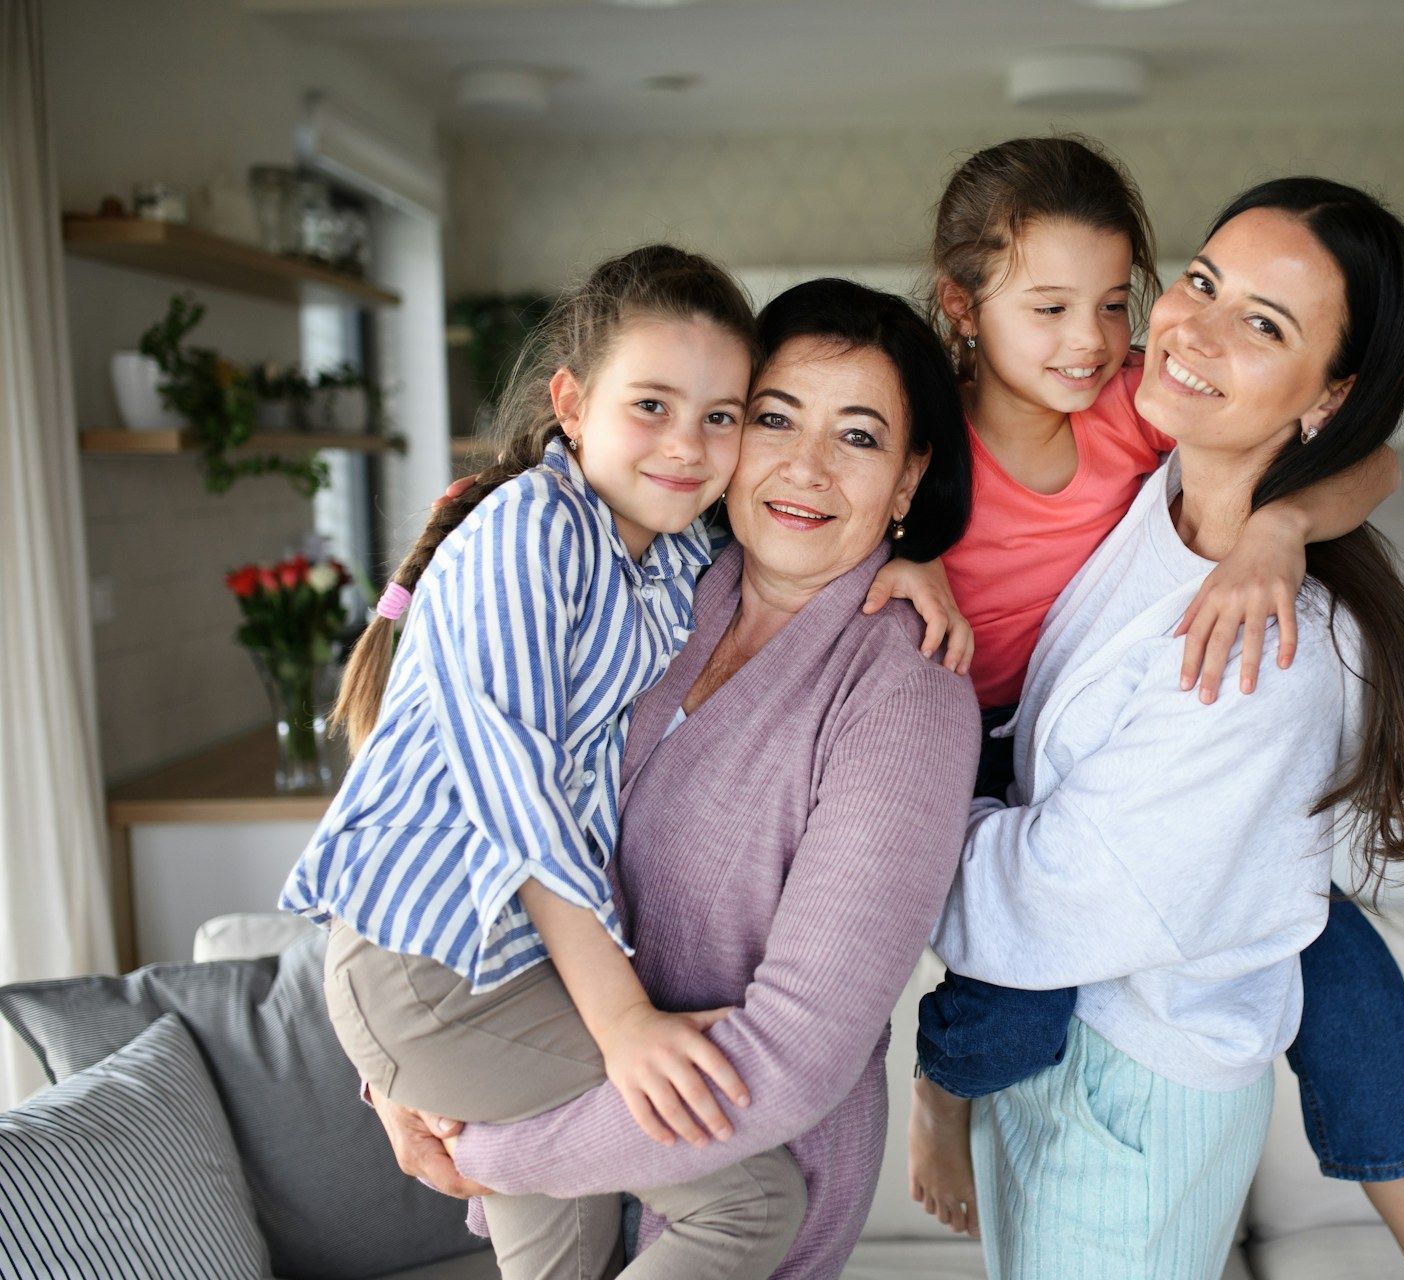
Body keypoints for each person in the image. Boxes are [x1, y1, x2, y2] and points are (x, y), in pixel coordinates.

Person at [901, 138, 1404, 1280]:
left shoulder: (1260, 648)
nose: (1189, 330)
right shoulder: (1155, 482)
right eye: (1205, 285)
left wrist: (871, 839)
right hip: (1072, 1033)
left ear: (1331, 393)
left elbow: (1060, 893)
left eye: (1265, 325)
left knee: (1344, 968)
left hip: (1135, 1079)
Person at [368, 279, 981, 1280]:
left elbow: (794, 1054)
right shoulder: (647, 582)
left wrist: (486, 1145)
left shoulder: (905, 694)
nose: (807, 465)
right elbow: (463, 800)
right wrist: (408, 1058)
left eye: (860, 438)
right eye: (775, 417)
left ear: (909, 479)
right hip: (560, 1185)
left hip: (738, 1206)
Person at [281, 245, 824, 1280]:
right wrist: (624, 1023)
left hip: (515, 972)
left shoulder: (671, 557)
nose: (689, 444)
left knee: (563, 1261)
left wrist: (918, 564)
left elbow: (816, 550)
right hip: (436, 975)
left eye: (722, 415)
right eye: (653, 404)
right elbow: (520, 805)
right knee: (750, 1199)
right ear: (571, 403)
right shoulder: (530, 531)